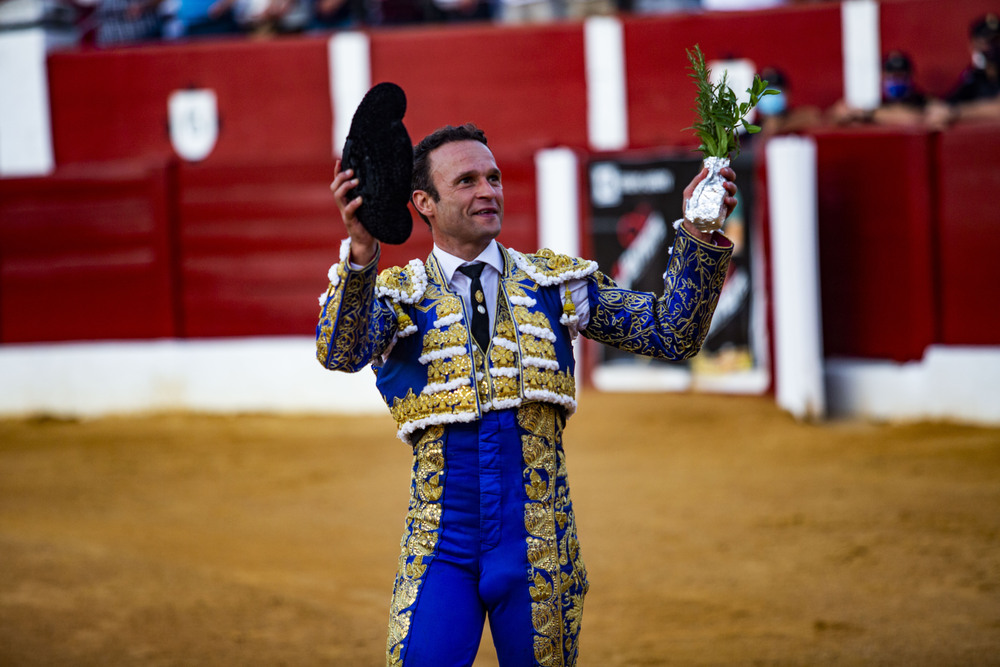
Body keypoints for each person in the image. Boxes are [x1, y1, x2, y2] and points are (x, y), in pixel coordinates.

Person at [316, 123, 736, 666]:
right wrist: (361, 250)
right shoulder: (398, 296)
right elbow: (339, 351)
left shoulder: (556, 284)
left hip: (539, 543)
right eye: (466, 181)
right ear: (424, 202)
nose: (488, 191)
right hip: (441, 547)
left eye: (493, 177)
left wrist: (700, 234)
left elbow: (672, 332)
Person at [925, 14, 1000, 128]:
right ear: (974, 45)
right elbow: (948, 104)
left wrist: (957, 113)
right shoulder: (975, 77)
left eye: (997, 40)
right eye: (989, 41)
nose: (995, 47)